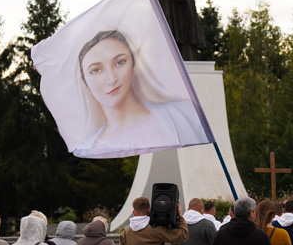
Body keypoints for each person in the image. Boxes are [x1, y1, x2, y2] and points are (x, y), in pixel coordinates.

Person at [74, 29, 208, 157]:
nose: (111, 79)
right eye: (96, 70)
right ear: (85, 82)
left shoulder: (184, 113)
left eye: (120, 62)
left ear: (133, 64)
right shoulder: (91, 148)